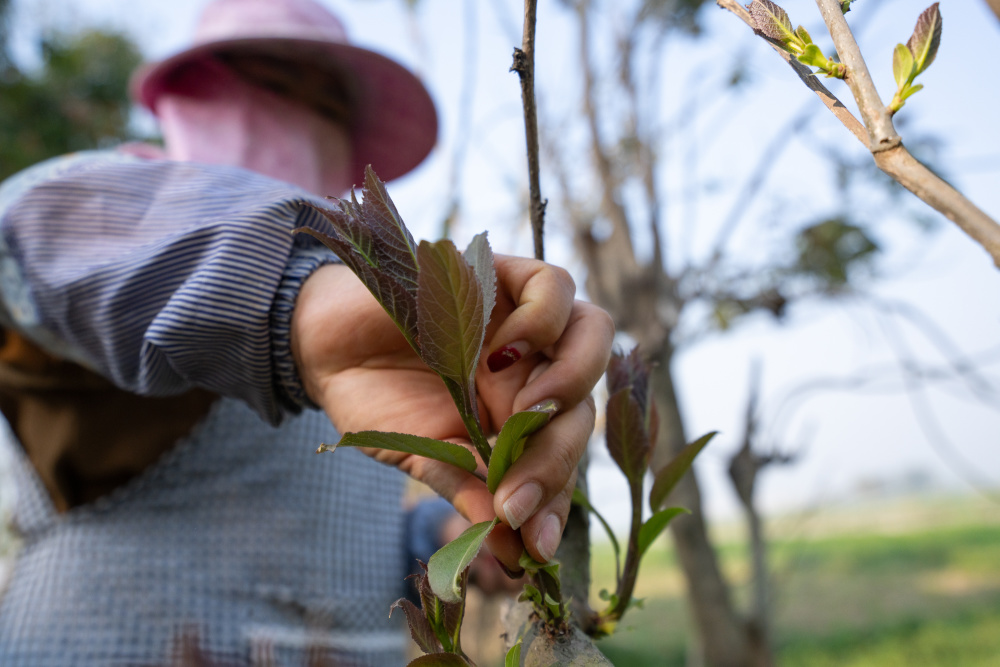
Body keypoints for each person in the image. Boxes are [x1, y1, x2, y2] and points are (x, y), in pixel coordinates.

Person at [0, 0, 614, 665]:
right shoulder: (125, 227)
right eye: (267, 82)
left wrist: (439, 536)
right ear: (191, 97)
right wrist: (292, 289)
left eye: (327, 102)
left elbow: (329, 526)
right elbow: (29, 229)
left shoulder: (378, 322)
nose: (297, 112)